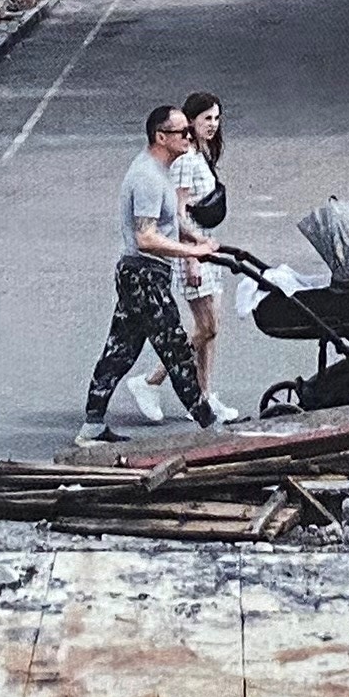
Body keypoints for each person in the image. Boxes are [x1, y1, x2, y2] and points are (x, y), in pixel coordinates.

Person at [83, 101, 231, 439]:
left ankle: (92, 425)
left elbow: (171, 220)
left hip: (141, 275)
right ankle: (209, 425)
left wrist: (197, 238)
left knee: (120, 351)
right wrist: (192, 252)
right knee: (176, 349)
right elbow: (146, 237)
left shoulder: (160, 171)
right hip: (144, 275)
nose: (189, 137)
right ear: (161, 137)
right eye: (182, 132)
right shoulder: (148, 177)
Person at [171, 89, 232, 411]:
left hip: (206, 247)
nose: (213, 124)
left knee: (210, 331)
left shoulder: (201, 153)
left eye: (217, 118)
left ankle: (205, 395)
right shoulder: (185, 160)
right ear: (191, 121)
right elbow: (177, 214)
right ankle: (152, 379)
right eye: (206, 118)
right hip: (193, 251)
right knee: (208, 328)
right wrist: (192, 257)